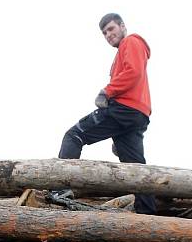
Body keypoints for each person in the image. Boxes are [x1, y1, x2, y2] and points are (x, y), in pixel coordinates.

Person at [58, 13, 155, 214]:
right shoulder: (126, 50)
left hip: (123, 108)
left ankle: (60, 190)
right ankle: (148, 218)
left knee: (73, 135)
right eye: (104, 33)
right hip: (136, 115)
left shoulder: (131, 42)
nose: (108, 35)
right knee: (136, 168)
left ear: (122, 26)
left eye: (111, 29)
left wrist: (107, 91)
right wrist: (119, 133)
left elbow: (133, 73)